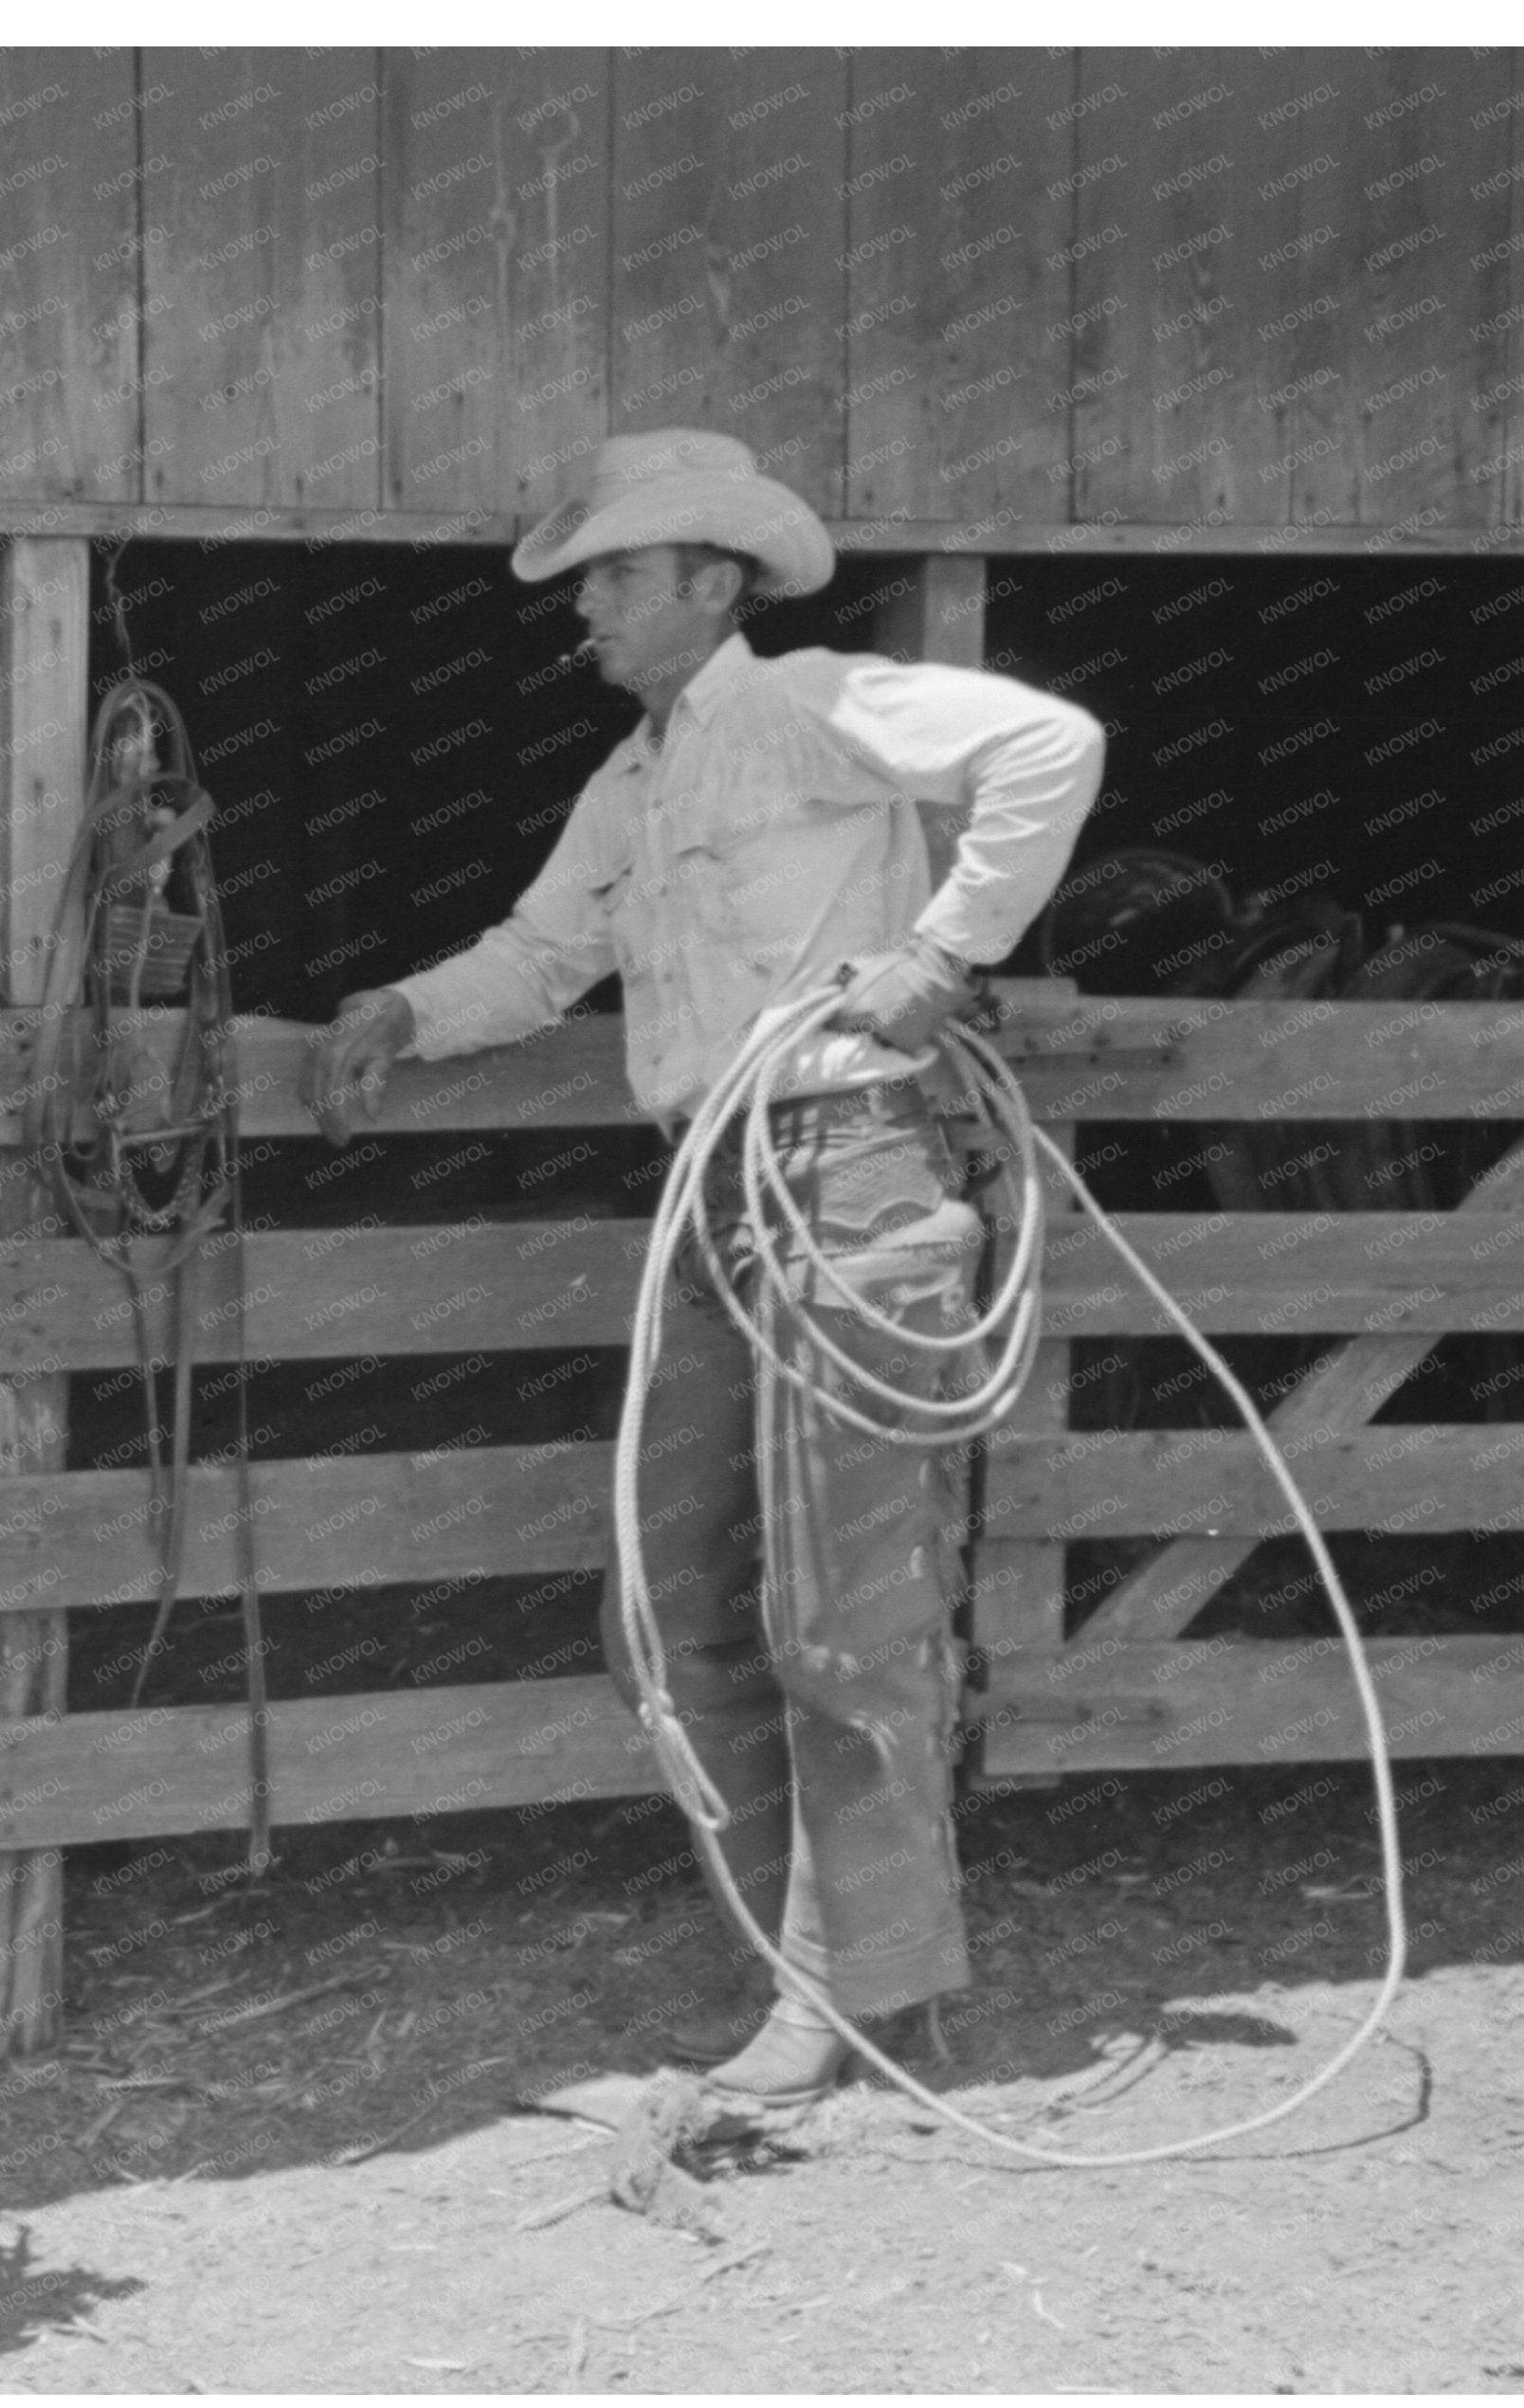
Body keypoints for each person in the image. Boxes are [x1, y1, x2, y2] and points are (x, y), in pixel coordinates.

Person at [309, 430, 1103, 2109]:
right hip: (716, 1196)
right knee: (662, 1606)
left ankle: (859, 1998)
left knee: (840, 1614)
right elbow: (544, 954)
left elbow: (1051, 745)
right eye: (586, 575)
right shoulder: (638, 778)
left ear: (707, 583)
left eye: (612, 573)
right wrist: (400, 1011)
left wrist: (940, 957)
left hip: (849, 1170)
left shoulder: (814, 703)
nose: (584, 605)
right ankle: (796, 1967)